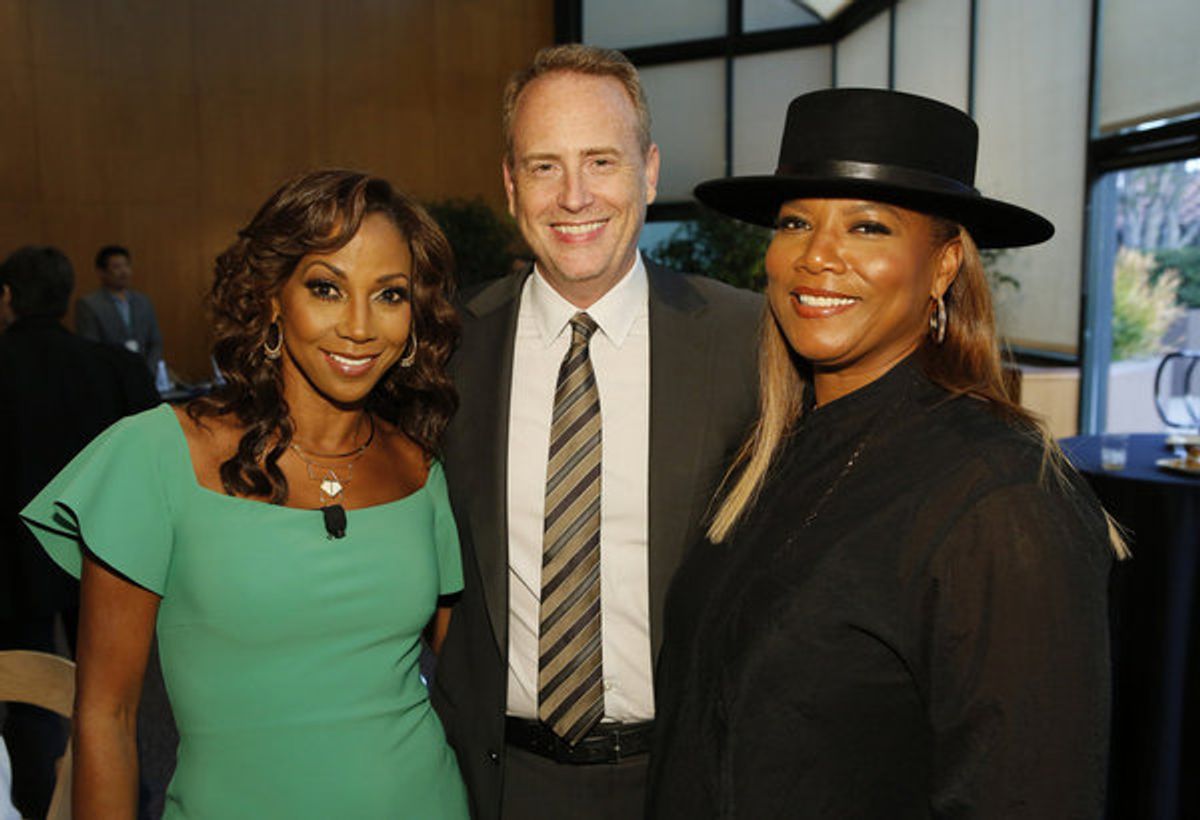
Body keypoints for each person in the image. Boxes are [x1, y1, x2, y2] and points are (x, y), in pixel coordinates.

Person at [647, 88, 1123, 819]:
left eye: (868, 227)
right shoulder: (766, 451)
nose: (816, 256)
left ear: (944, 265)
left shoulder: (1003, 501)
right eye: (795, 222)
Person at [21, 170, 469, 819]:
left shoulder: (418, 467)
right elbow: (107, 717)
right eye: (326, 288)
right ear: (271, 298)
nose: (360, 326)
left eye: (389, 294)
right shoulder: (156, 456)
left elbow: (468, 686)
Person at [431, 44, 762, 820]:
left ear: (648, 171)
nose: (574, 196)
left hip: (686, 779)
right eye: (544, 166)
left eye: (601, 162)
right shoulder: (445, 348)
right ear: (511, 185)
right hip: (498, 782)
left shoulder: (748, 342)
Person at [0, 246, 158, 819]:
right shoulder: (114, 368)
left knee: (29, 691)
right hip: (102, 553)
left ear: (7, 297)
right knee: (111, 692)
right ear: (69, 296)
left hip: (13, 560)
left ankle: (37, 802)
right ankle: (127, 797)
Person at [75, 245, 165, 373]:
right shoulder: (89, 305)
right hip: (109, 375)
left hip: (144, 373)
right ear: (101, 272)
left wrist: (148, 370)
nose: (124, 272)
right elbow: (91, 348)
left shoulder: (143, 302)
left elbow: (155, 342)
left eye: (126, 266)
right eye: (117, 267)